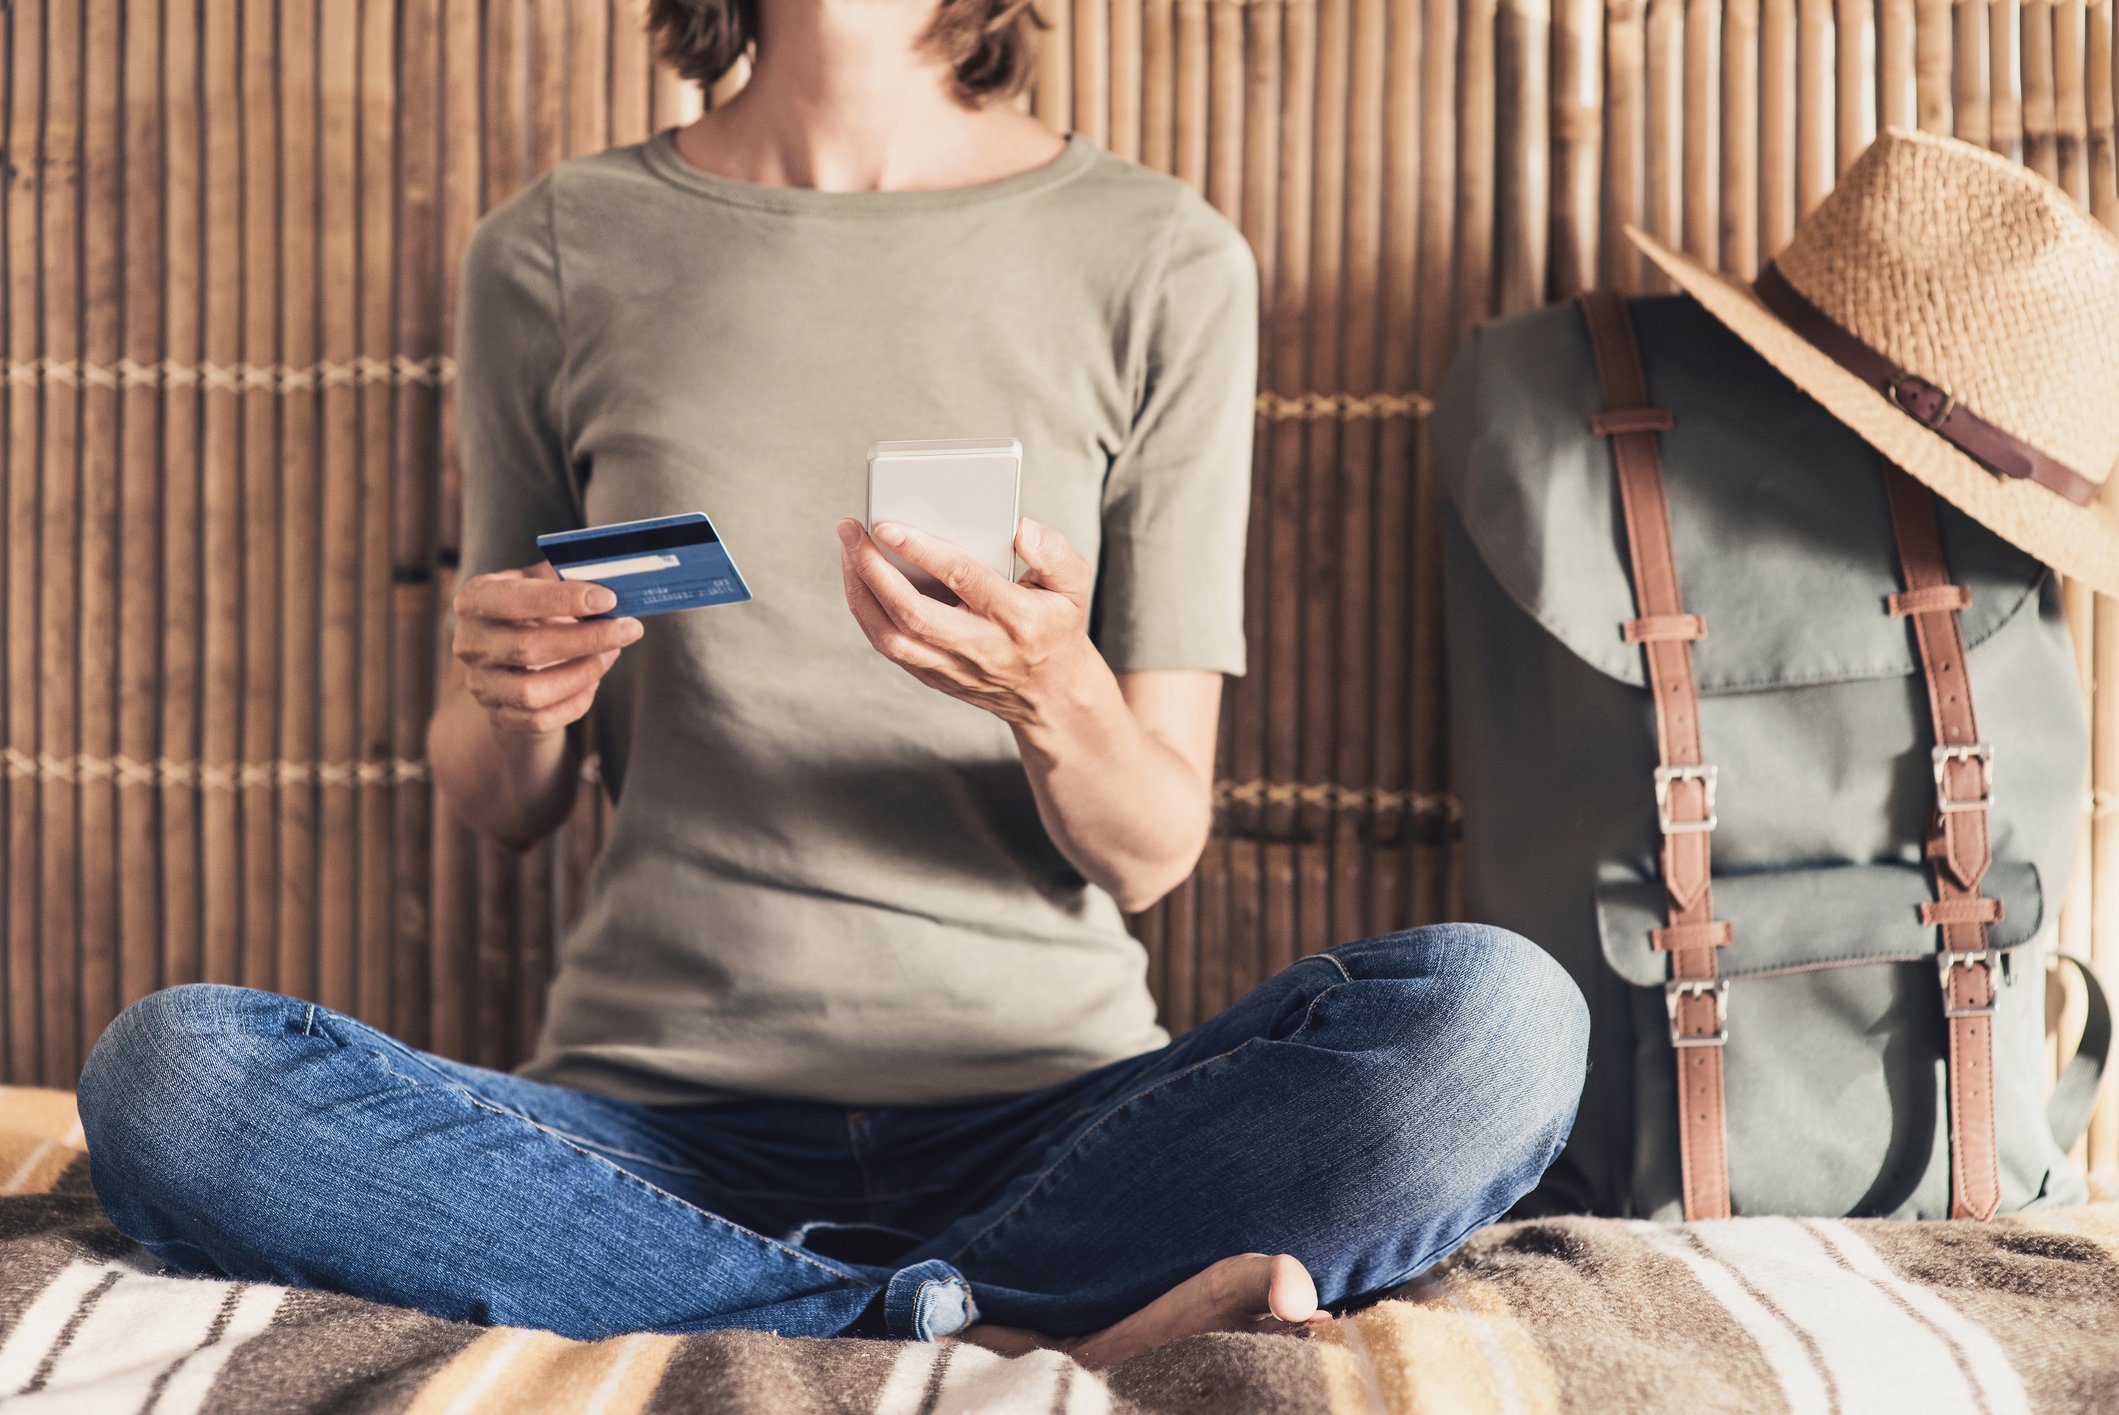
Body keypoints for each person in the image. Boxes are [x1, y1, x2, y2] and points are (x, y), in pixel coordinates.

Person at [74, 0, 1587, 1367]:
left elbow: (1150, 847)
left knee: (1499, 1020)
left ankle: (782, 1306)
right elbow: (497, 803)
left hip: (1061, 1127)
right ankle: (956, 1325)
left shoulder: (1157, 251)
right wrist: (509, 693)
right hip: (639, 1130)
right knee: (177, 1078)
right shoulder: (556, 245)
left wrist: (1051, 691)